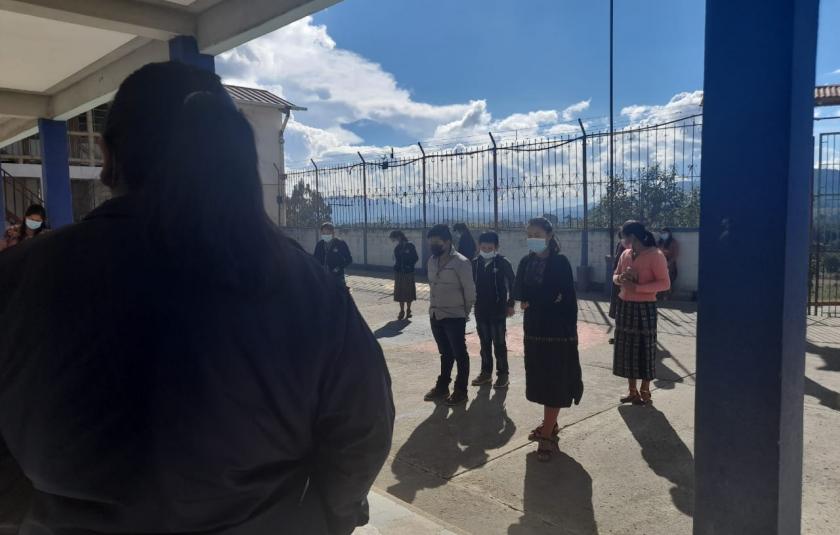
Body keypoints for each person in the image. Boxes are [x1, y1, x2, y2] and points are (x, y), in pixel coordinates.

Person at [0, 62, 394, 535]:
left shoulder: (20, 278)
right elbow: (364, 431)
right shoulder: (306, 286)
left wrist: (31, 516)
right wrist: (322, 520)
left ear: (107, 156)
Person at [514, 217, 583, 462]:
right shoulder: (526, 261)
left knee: (555, 380)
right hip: (534, 331)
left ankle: (547, 434)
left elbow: (562, 297)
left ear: (550, 235)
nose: (532, 238)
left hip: (557, 332)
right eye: (529, 234)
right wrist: (539, 299)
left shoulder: (560, 263)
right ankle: (549, 424)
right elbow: (519, 292)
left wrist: (538, 300)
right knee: (540, 379)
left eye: (537, 234)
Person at [613, 221, 671, 406]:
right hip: (625, 305)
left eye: (625, 237)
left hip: (645, 306)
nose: (623, 241)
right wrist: (620, 278)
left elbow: (664, 283)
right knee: (626, 349)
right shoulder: (625, 254)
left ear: (634, 237)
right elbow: (615, 275)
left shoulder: (655, 255)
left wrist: (638, 288)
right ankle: (632, 391)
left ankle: (645, 389)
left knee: (644, 348)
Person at [424, 224, 476, 406]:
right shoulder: (431, 261)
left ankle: (461, 391)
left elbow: (470, 291)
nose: (433, 246)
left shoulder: (461, 262)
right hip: (436, 314)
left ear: (448, 242)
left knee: (459, 354)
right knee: (445, 353)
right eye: (431, 243)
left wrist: (464, 312)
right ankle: (442, 386)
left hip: (454, 316)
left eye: (437, 243)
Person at [470, 231, 516, 389]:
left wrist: (510, 304)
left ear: (496, 247)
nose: (487, 250)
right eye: (484, 247)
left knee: (499, 343)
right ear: (479, 247)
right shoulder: (474, 263)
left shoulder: (503, 263)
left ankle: (503, 375)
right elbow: (469, 285)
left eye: (490, 247)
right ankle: (485, 373)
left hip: (498, 310)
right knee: (484, 344)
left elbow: (512, 282)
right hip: (480, 310)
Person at [608, 227, 632, 344]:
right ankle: (619, 334)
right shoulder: (621, 245)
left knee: (624, 310)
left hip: (626, 281)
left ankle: (623, 335)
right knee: (618, 309)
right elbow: (617, 262)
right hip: (618, 279)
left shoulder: (634, 248)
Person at [390, 230, 418, 320]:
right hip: (399, 272)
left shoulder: (410, 246)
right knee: (400, 292)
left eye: (395, 238)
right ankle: (401, 310)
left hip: (408, 272)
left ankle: (409, 310)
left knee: (409, 291)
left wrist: (408, 264)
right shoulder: (397, 248)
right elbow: (397, 259)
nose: (395, 240)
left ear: (399, 236)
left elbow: (415, 257)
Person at [657, 227, 679, 299]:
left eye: (665, 233)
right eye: (662, 233)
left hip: (669, 264)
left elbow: (675, 255)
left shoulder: (673, 242)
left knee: (668, 279)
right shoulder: (659, 242)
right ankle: (660, 295)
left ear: (669, 234)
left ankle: (667, 296)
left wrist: (668, 263)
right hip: (659, 263)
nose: (663, 235)